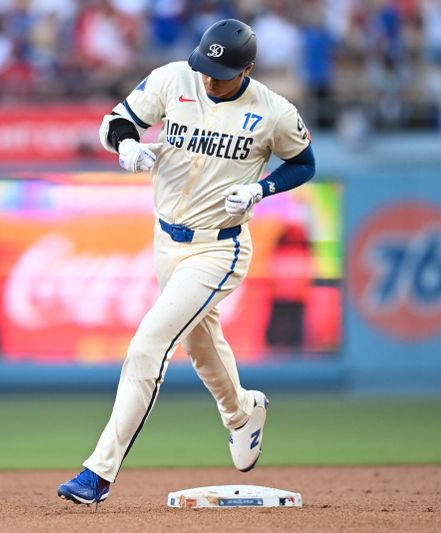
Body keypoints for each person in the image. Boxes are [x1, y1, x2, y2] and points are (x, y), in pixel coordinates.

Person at [57, 19, 316, 505]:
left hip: (220, 247)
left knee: (147, 346)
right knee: (202, 346)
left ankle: (98, 472)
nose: (210, 77)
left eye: (222, 70)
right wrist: (127, 143)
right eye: (206, 65)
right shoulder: (174, 78)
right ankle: (242, 412)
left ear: (248, 68)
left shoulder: (273, 111)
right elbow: (117, 119)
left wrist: (263, 188)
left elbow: (305, 162)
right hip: (165, 241)